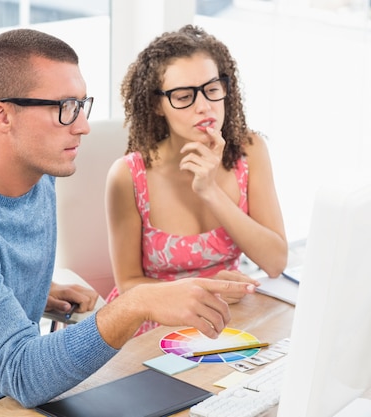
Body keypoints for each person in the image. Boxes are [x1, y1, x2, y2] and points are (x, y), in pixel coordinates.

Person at [0, 28, 255, 417]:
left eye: (80, 104)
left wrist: (15, 287)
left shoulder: (35, 165)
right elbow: (23, 373)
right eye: (64, 108)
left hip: (21, 396)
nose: (82, 126)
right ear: (2, 115)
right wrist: (136, 304)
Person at [105, 25, 288, 336]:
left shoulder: (250, 151)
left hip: (229, 319)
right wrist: (210, 290)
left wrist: (210, 191)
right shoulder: (128, 176)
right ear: (156, 105)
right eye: (184, 96)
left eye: (212, 89)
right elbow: (129, 285)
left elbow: (275, 262)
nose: (204, 106)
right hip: (155, 326)